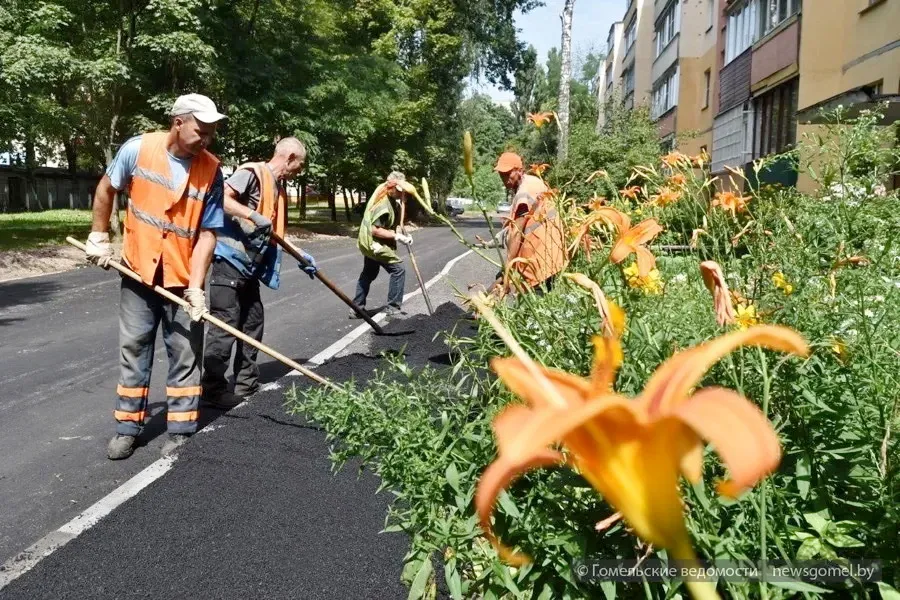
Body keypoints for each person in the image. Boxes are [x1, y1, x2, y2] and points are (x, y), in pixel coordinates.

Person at [84, 93, 227, 460]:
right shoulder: (138, 149)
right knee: (134, 349)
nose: (206, 139)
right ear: (178, 123)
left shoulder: (211, 169)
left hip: (181, 277)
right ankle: (127, 428)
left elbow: (208, 233)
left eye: (211, 132)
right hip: (138, 271)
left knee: (185, 352)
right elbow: (107, 188)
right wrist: (100, 236)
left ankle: (181, 428)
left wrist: (196, 287)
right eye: (201, 131)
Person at [201, 138, 317, 409]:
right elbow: (222, 199)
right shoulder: (252, 172)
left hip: (249, 268)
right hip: (228, 262)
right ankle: (212, 389)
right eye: (298, 166)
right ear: (289, 157)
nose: (298, 172)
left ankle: (246, 384)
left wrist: (301, 256)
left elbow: (272, 233)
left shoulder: (277, 188)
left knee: (253, 323)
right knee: (225, 326)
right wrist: (252, 215)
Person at [491, 152, 567, 293]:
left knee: (535, 307)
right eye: (501, 174)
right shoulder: (534, 181)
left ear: (520, 170)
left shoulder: (523, 193)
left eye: (508, 174)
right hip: (553, 254)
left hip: (539, 261)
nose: (505, 178)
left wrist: (507, 269)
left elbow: (517, 232)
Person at [351, 171, 413, 318]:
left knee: (369, 273)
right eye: (398, 191)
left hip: (370, 243)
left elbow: (393, 224)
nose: (400, 194)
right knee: (398, 269)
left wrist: (404, 235)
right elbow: (374, 230)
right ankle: (393, 308)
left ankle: (356, 309)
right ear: (391, 187)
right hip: (374, 244)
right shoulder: (383, 203)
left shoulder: (388, 196)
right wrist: (396, 236)